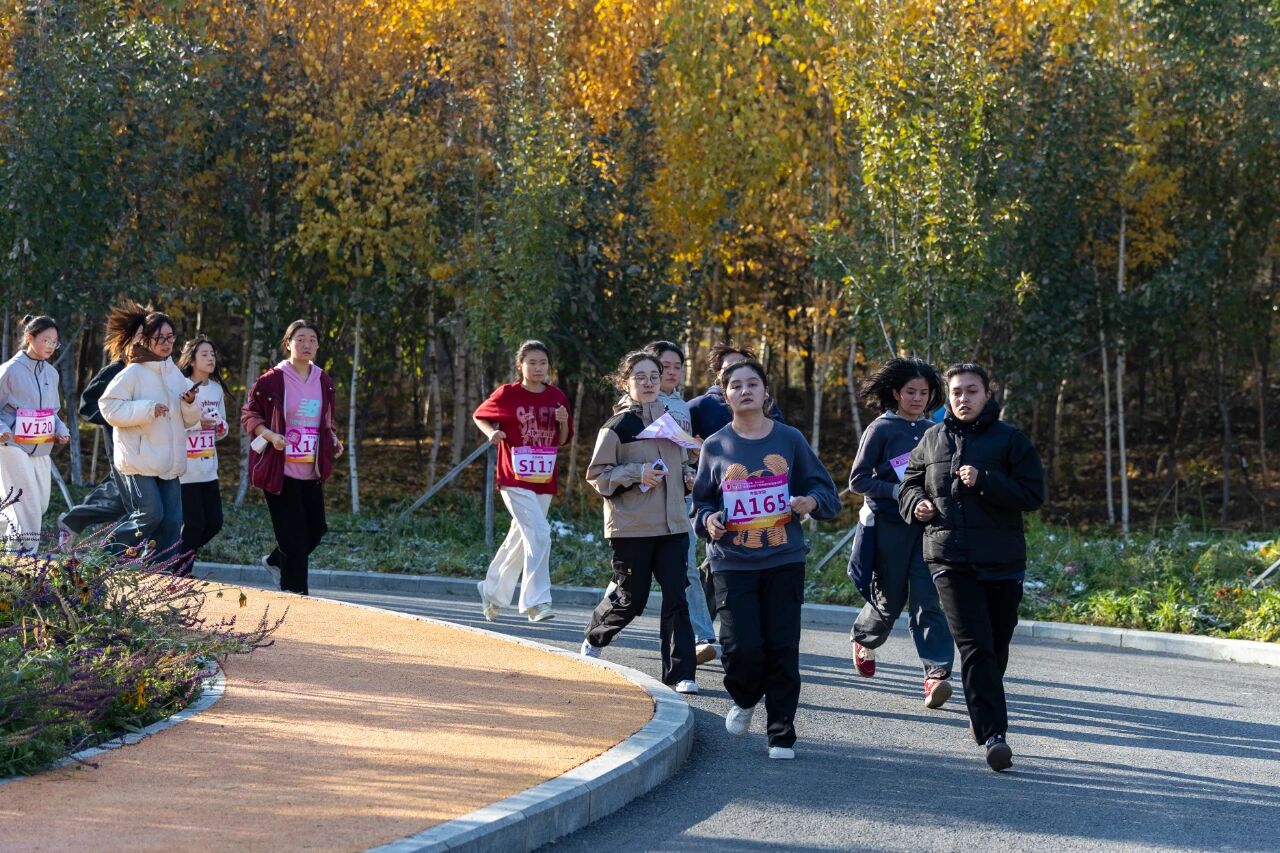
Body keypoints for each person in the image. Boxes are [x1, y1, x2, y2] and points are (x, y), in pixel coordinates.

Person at [898, 363, 1045, 772]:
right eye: (957, 392)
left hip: (1001, 560)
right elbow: (909, 483)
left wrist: (985, 481)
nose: (964, 398)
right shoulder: (931, 438)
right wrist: (916, 504)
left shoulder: (1010, 440)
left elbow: (1033, 494)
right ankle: (995, 734)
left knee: (995, 646)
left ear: (987, 394)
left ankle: (981, 705)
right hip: (948, 558)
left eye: (972, 391)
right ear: (948, 397)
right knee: (976, 646)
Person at [692, 359, 840, 759]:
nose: (745, 390)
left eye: (752, 383)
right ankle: (744, 697)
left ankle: (781, 734)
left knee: (782, 648)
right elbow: (700, 505)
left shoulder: (789, 439)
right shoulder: (715, 445)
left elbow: (826, 494)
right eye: (736, 385)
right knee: (740, 647)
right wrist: (709, 521)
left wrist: (809, 501)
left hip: (783, 559)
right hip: (732, 561)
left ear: (765, 391)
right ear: (725, 395)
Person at [583, 350, 698, 694]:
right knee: (632, 599)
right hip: (632, 527)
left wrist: (688, 477)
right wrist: (637, 473)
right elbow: (598, 477)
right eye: (640, 377)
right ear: (625, 383)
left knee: (677, 597)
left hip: (674, 525)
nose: (649, 383)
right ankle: (595, 636)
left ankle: (681, 674)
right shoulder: (617, 427)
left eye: (654, 377)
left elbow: (681, 465)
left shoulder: (671, 423)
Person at [848, 358, 955, 709]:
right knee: (890, 599)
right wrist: (898, 492)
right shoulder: (881, 429)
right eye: (911, 392)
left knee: (928, 600)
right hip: (890, 526)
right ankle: (864, 637)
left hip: (927, 529)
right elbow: (858, 480)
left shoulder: (934, 430)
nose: (918, 398)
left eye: (924, 393)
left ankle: (936, 674)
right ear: (895, 393)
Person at [472, 340, 571, 622]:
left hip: (543, 477)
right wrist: (491, 433)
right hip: (513, 477)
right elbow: (479, 415)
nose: (538, 368)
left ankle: (491, 590)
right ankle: (535, 602)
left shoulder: (556, 396)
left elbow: (562, 439)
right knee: (539, 533)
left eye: (543, 363)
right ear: (520, 365)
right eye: (532, 362)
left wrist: (563, 420)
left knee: (522, 538)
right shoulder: (508, 393)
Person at [242, 320, 343, 595]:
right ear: (288, 344)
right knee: (295, 541)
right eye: (300, 339)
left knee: (316, 531)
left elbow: (325, 421)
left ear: (318, 345)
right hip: (280, 470)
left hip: (311, 469)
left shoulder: (324, 381)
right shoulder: (271, 380)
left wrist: (332, 438)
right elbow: (250, 416)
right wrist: (271, 435)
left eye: (312, 339)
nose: (307, 344)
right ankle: (296, 598)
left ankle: (276, 561)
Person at [98, 302, 200, 559]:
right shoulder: (133, 372)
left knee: (172, 522)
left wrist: (189, 403)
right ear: (146, 339)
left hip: (168, 462)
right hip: (138, 459)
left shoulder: (174, 373)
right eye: (159, 338)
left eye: (170, 337)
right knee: (150, 515)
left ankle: (158, 573)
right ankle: (101, 558)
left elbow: (189, 420)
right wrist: (147, 409)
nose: (166, 343)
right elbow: (108, 407)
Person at [644, 340, 719, 666]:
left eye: (678, 366)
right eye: (665, 366)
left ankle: (704, 636)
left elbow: (684, 454)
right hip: (646, 499)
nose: (672, 372)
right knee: (631, 574)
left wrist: (690, 467)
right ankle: (603, 626)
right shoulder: (640, 403)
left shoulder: (682, 405)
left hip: (678, 497)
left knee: (687, 565)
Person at [0, 315, 71, 550]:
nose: (50, 346)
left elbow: (53, 412)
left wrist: (61, 429)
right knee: (27, 505)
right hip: (12, 445)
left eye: (55, 342)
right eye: (46, 340)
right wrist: (2, 429)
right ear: (30, 337)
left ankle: (6, 539)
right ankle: (24, 560)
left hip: (42, 447)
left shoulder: (51, 373)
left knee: (38, 505)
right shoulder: (9, 370)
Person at [176, 335, 230, 574]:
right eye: (204, 354)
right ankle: (182, 573)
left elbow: (222, 426)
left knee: (214, 523)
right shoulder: (181, 386)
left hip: (209, 468)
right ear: (191, 359)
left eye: (212, 354)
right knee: (194, 524)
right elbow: (174, 426)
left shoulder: (216, 389)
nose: (210, 358)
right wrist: (199, 424)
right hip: (186, 470)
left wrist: (221, 428)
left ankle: (175, 559)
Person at [59, 357, 129, 536]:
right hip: (121, 445)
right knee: (130, 500)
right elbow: (87, 405)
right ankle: (76, 521)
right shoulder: (115, 370)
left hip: (147, 447)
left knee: (120, 492)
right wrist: (116, 417)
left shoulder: (154, 370)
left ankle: (74, 520)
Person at [687, 344, 785, 441]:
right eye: (730, 367)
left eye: (742, 365)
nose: (737, 371)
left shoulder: (766, 403)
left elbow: (782, 440)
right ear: (718, 374)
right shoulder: (699, 406)